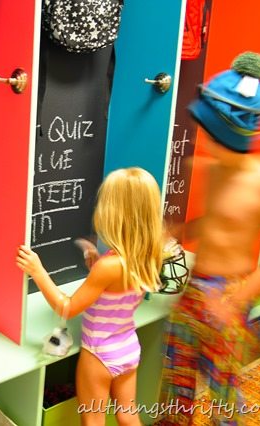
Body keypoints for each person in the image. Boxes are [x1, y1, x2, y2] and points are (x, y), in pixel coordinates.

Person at [157, 52, 260, 426]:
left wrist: (235, 301)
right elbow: (219, 221)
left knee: (223, 395)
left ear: (236, 135)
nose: (203, 142)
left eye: (211, 136)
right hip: (195, 289)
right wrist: (182, 231)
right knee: (176, 382)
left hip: (230, 296)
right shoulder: (215, 169)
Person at [16, 167, 164, 426]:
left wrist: (37, 271)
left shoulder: (109, 267)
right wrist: (96, 266)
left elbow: (67, 308)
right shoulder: (147, 255)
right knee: (128, 416)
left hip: (99, 355)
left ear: (113, 213)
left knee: (93, 422)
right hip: (128, 348)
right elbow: (118, 288)